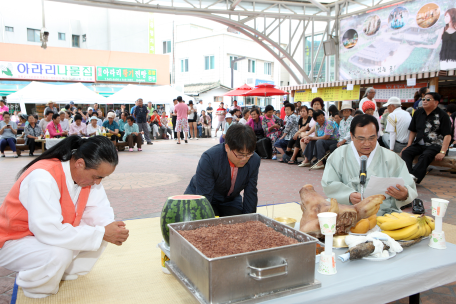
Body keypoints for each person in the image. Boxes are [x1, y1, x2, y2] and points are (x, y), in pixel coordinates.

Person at [0, 136, 128, 298]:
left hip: (44, 237)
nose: (98, 182)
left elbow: (99, 211)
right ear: (80, 163)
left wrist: (110, 229)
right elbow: (47, 230)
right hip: (11, 241)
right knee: (60, 253)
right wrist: (101, 232)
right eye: (97, 177)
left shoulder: (87, 178)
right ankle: (35, 284)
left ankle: (64, 272)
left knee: (103, 233)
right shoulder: (43, 176)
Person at [322, 114, 418, 215]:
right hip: (346, 212)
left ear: (377, 135)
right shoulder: (338, 155)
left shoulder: (391, 158)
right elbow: (329, 183)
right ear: (351, 136)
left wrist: (404, 195)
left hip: (382, 213)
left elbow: (409, 186)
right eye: (361, 139)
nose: (367, 144)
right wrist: (348, 195)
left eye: (372, 138)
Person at [184, 124, 260, 217]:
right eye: (240, 155)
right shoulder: (210, 158)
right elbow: (205, 197)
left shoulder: (254, 160)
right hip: (204, 197)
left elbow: (250, 192)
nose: (244, 159)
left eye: (248, 154)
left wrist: (249, 221)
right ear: (227, 147)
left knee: (236, 224)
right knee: (211, 225)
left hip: (230, 200)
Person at [401, 92, 452, 184]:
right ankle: (406, 176)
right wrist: (409, 145)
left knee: (425, 156)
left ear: (436, 102)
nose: (424, 101)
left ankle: (413, 178)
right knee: (406, 152)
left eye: (428, 99)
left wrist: (443, 152)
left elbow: (447, 135)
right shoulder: (417, 113)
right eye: (423, 99)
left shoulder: (443, 115)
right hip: (419, 143)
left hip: (436, 145)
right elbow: (413, 130)